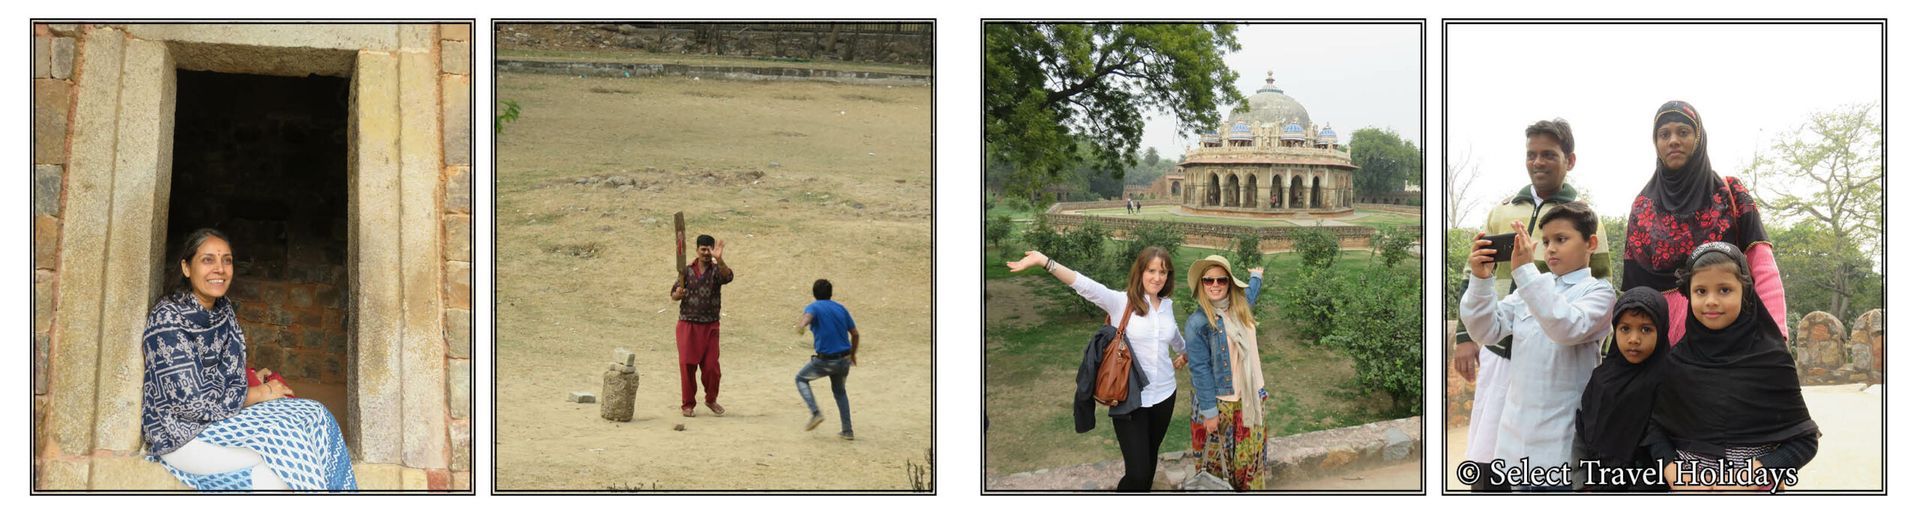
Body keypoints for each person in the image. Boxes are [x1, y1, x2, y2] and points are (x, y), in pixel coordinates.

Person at [1452, 118, 1611, 491]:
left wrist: (1525, 273)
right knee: (1490, 445)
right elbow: (1486, 326)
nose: (1550, 248)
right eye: (1546, 240)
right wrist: (1480, 279)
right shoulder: (1503, 209)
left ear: (1568, 160)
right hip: (1511, 402)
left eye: (1561, 239)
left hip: (1557, 438)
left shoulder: (1596, 293)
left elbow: (1566, 324)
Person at [141, 228, 356, 491]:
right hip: (183, 433)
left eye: (227, 260)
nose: (219, 269)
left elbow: (227, 373)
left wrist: (251, 378)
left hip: (223, 417)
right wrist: (261, 392)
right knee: (289, 445)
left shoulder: (223, 310)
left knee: (316, 415)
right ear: (186, 267)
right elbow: (192, 404)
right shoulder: (168, 319)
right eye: (208, 260)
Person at [1007, 247, 1185, 491]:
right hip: (1129, 398)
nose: (1157, 277)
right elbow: (1084, 284)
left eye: (1163, 272)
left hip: (1165, 395)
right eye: (1151, 270)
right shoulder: (1120, 302)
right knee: (1137, 472)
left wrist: (1184, 352)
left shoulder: (1166, 306)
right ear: (1140, 272)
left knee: (1150, 460)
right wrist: (1045, 262)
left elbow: (1173, 335)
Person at [1651, 242, 1818, 492]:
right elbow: (1654, 429)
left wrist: (1758, 473)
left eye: (1725, 290)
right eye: (1700, 291)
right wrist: (1672, 470)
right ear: (1689, 295)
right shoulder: (1677, 361)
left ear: (1745, 292)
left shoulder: (1772, 361)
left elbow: (1805, 441)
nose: (1711, 301)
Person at [1623, 101, 1786, 342]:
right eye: (1664, 134)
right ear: (1655, 143)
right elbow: (1634, 292)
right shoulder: (1643, 206)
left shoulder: (1730, 194)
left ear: (1699, 138)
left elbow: (1762, 267)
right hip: (1664, 346)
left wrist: (1776, 335)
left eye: (1683, 132)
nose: (1673, 141)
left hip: (1732, 337)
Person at [1571, 287, 1672, 492]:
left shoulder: (1668, 383)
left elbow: (1663, 447)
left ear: (1661, 331)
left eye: (1645, 329)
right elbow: (1583, 432)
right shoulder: (1601, 379)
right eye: (1625, 328)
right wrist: (1582, 483)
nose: (1633, 339)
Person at [1182, 255, 1267, 491]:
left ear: (1230, 283)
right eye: (1209, 280)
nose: (1215, 285)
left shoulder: (1240, 307)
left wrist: (1256, 276)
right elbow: (1200, 370)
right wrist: (1209, 413)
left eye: (1221, 279)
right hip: (1221, 405)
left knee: (1250, 461)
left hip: (1252, 397)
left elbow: (1251, 293)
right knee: (1222, 468)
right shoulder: (1197, 323)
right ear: (1201, 284)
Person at [670, 234, 733, 417]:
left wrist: (720, 259)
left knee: (712, 367)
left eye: (709, 249)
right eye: (703, 249)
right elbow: (673, 294)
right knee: (687, 365)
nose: (706, 253)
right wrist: (679, 294)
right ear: (697, 250)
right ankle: (688, 404)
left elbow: (728, 277)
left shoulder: (716, 270)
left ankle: (711, 399)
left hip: (711, 325)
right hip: (687, 324)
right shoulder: (686, 270)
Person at [794, 279, 859, 440]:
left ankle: (816, 413)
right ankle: (847, 430)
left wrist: (801, 325)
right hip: (844, 360)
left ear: (814, 294)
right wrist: (853, 354)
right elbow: (855, 333)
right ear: (831, 293)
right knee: (840, 392)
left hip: (825, 360)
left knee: (801, 379)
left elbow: (808, 317)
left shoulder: (813, 307)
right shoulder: (841, 308)